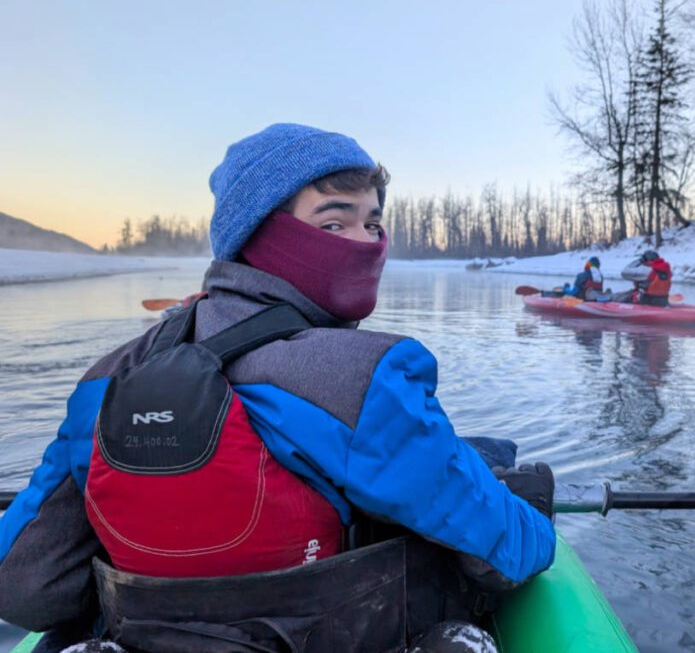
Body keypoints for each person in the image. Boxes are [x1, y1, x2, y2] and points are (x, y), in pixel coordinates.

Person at [0, 123, 556, 653]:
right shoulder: (369, 376)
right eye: (334, 224)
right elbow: (504, 552)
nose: (365, 243)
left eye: (374, 225)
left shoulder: (107, 379)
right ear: (258, 235)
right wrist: (536, 521)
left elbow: (26, 584)